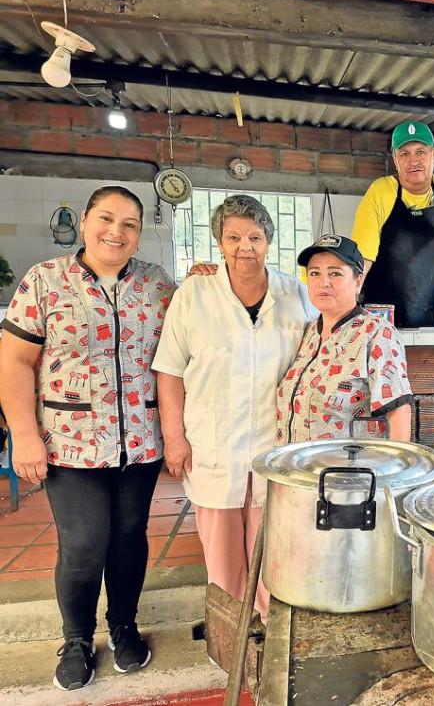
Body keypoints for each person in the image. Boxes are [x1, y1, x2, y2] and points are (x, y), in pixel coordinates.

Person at [0, 186, 176, 690]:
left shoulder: (156, 284)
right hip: (69, 444)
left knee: (128, 539)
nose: (116, 232)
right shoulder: (46, 281)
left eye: (129, 224)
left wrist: (213, 277)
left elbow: (188, 339)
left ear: (140, 233)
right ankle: (76, 637)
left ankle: (124, 624)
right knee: (83, 543)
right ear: (83, 222)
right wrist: (24, 435)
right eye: (106, 219)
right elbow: (13, 361)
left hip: (139, 441)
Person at [152, 195, 315, 623]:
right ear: (219, 243)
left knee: (272, 548)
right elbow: (169, 369)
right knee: (222, 556)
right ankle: (229, 631)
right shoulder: (195, 293)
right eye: (234, 237)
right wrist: (174, 438)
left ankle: (268, 629)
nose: (246, 246)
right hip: (213, 443)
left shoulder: (294, 293)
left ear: (269, 242)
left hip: (273, 443)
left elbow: (323, 346)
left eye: (256, 237)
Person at [276, 235, 413, 443]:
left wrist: (397, 471)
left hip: (348, 471)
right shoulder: (309, 330)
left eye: (335, 273)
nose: (324, 282)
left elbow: (398, 411)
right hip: (297, 471)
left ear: (357, 283)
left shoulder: (376, 332)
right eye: (314, 273)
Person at [352, 121, 434, 328]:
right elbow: (362, 260)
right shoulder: (381, 191)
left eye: (420, 152)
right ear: (395, 160)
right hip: (382, 318)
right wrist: (345, 306)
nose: (413, 161)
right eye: (404, 154)